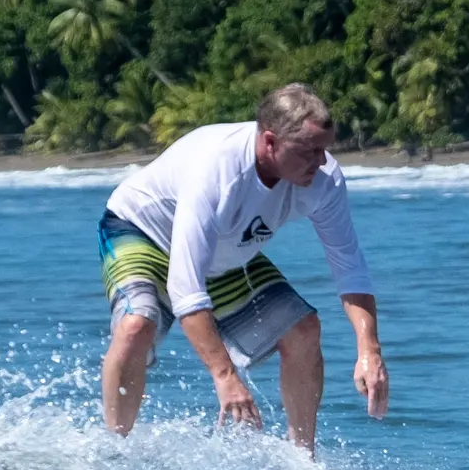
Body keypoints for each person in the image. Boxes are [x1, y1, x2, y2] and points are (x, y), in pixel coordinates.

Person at [96, 84, 387, 449]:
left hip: (225, 253)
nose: (321, 161)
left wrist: (369, 349)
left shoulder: (323, 180)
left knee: (304, 330)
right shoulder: (216, 172)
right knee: (137, 324)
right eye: (310, 151)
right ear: (270, 142)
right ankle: (114, 453)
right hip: (142, 233)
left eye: (325, 149)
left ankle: (303, 465)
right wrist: (225, 376)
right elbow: (186, 289)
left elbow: (349, 266)